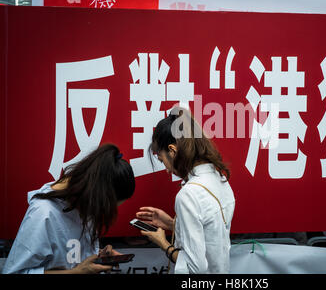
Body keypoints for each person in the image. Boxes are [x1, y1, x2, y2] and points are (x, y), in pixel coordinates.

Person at [3, 144, 135, 274]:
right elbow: (15, 272)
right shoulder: (43, 214)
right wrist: (75, 272)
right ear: (97, 195)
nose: (101, 212)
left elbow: (69, 253)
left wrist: (97, 255)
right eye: (105, 206)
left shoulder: (84, 203)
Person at [136, 107, 235, 274]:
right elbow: (212, 234)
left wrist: (163, 243)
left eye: (162, 160)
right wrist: (172, 224)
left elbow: (195, 268)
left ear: (172, 151)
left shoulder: (189, 194)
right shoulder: (219, 178)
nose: (166, 170)